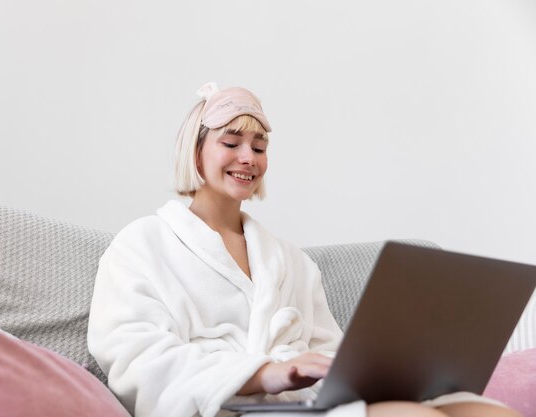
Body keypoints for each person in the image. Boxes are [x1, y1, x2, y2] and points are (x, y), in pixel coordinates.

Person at [87, 82, 522, 417]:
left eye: (259, 147)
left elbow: (330, 354)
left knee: (485, 411)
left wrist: (362, 369)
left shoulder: (289, 260)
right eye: (231, 142)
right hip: (226, 406)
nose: (248, 158)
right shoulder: (142, 244)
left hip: (299, 404)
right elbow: (135, 359)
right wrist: (264, 374)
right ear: (195, 151)